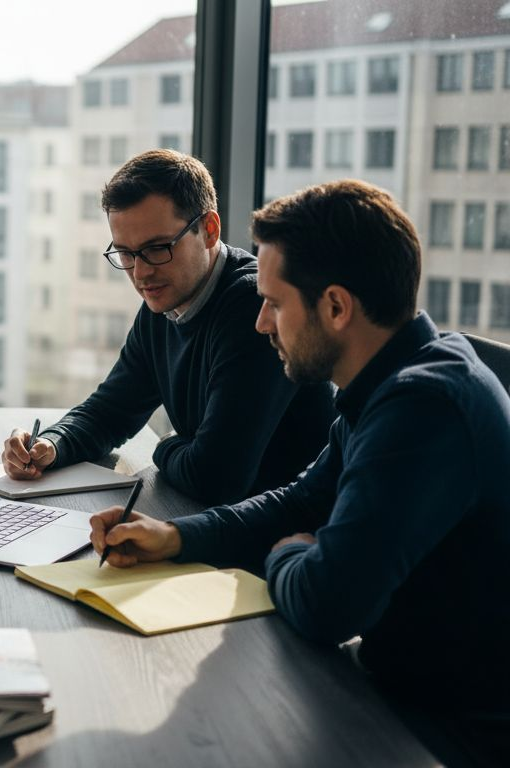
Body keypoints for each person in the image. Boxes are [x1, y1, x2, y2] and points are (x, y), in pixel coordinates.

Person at [88, 180, 510, 714]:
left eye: (273, 303)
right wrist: (172, 536)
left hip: (438, 727)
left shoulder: (422, 408)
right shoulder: (390, 381)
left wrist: (288, 551)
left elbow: (326, 606)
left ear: (335, 307)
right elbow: (302, 502)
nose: (262, 322)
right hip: (394, 687)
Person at [2, 150, 334, 504]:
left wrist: (163, 444)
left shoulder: (254, 307)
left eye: (157, 248)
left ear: (208, 230)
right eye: (126, 254)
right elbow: (112, 409)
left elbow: (214, 478)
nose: (141, 273)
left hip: (276, 535)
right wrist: (50, 444)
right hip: (214, 518)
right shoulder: (164, 303)